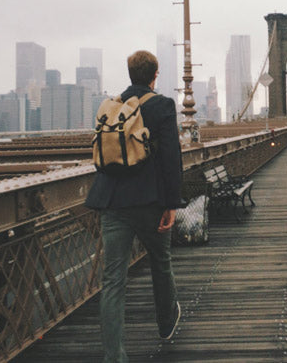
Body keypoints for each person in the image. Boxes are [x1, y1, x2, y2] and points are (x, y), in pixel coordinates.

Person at [85, 50, 183, 363]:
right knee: (160, 261)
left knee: (113, 280)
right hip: (151, 201)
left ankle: (114, 356)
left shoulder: (112, 106)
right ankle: (166, 323)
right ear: (156, 75)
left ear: (130, 75)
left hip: (112, 200)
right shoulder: (163, 105)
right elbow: (171, 159)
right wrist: (172, 203)